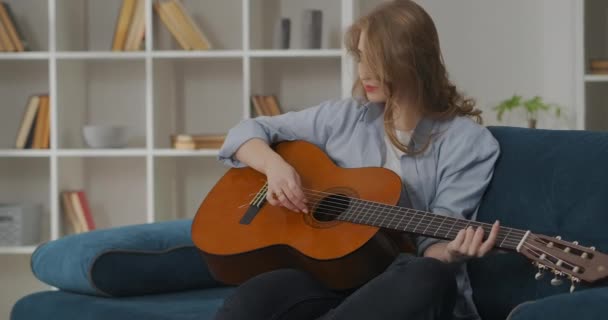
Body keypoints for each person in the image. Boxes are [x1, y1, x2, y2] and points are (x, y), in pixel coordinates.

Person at [213, 1, 500, 319]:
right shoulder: (344, 116)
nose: (363, 71)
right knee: (260, 294)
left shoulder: (469, 142)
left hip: (399, 288)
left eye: (376, 59)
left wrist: (452, 252)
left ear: (411, 59)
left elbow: (432, 246)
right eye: (362, 57)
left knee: (428, 274)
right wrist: (275, 167)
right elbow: (246, 131)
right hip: (333, 280)